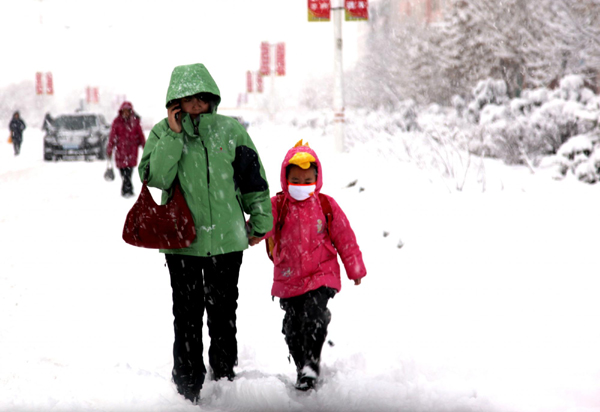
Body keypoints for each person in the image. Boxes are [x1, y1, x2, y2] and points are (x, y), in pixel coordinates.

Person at [138, 63, 272, 404]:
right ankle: (186, 383)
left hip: (227, 241)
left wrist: (259, 222)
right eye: (186, 99)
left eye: (200, 97)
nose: (194, 104)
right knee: (186, 314)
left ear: (211, 97)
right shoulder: (161, 133)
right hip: (182, 243)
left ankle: (225, 377)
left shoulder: (231, 130)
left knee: (224, 312)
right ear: (174, 102)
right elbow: (156, 178)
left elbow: (252, 180)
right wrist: (173, 134)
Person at [264, 140, 367, 391]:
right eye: (296, 181)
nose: (302, 186)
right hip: (289, 278)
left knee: (313, 315)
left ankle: (311, 364)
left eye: (307, 180)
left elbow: (345, 237)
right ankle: (301, 366)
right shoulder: (278, 205)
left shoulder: (325, 205)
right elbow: (260, 223)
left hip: (322, 274)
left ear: (317, 179)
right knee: (292, 326)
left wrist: (354, 268)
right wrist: (247, 232)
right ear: (285, 179)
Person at [106, 102, 146, 197]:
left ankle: (126, 191)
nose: (126, 113)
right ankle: (128, 190)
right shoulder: (116, 122)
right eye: (124, 111)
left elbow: (140, 136)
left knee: (128, 172)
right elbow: (112, 137)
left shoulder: (135, 122)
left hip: (132, 151)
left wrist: (146, 147)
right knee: (122, 171)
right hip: (120, 152)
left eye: (127, 111)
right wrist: (110, 149)